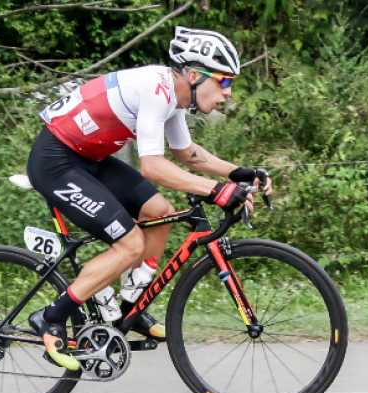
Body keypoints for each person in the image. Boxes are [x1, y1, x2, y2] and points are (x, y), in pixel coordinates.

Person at [26, 26, 273, 370]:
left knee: (159, 213)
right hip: (56, 162)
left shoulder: (175, 96)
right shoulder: (158, 90)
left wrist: (239, 174)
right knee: (130, 243)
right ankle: (51, 317)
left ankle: (130, 309)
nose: (228, 93)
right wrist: (217, 190)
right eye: (224, 82)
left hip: (87, 158)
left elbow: (187, 153)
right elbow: (153, 167)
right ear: (193, 74)